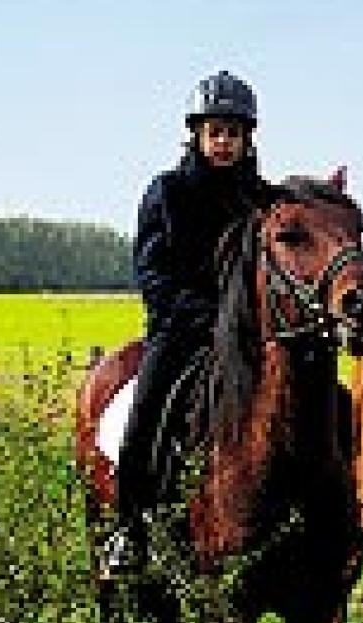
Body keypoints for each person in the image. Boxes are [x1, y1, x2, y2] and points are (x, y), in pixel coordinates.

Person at [100, 70, 273, 579]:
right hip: (181, 333)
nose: (223, 143)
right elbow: (153, 274)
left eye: (232, 133)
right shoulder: (168, 192)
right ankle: (129, 531)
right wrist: (208, 320)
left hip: (250, 337)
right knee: (145, 418)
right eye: (214, 132)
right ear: (196, 134)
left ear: (247, 139)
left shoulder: (262, 199)